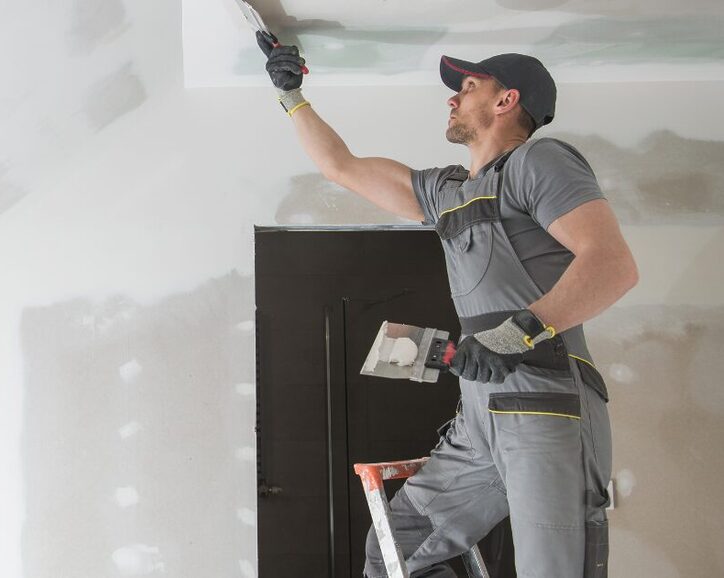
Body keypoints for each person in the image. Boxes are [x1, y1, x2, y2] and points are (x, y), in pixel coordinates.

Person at [258, 31, 638, 577]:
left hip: (544, 400)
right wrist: (291, 94)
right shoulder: (448, 191)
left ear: (507, 101)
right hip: (480, 414)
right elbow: (341, 166)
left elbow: (612, 266)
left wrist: (515, 335)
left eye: (468, 85)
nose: (452, 98)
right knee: (396, 549)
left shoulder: (539, 162)